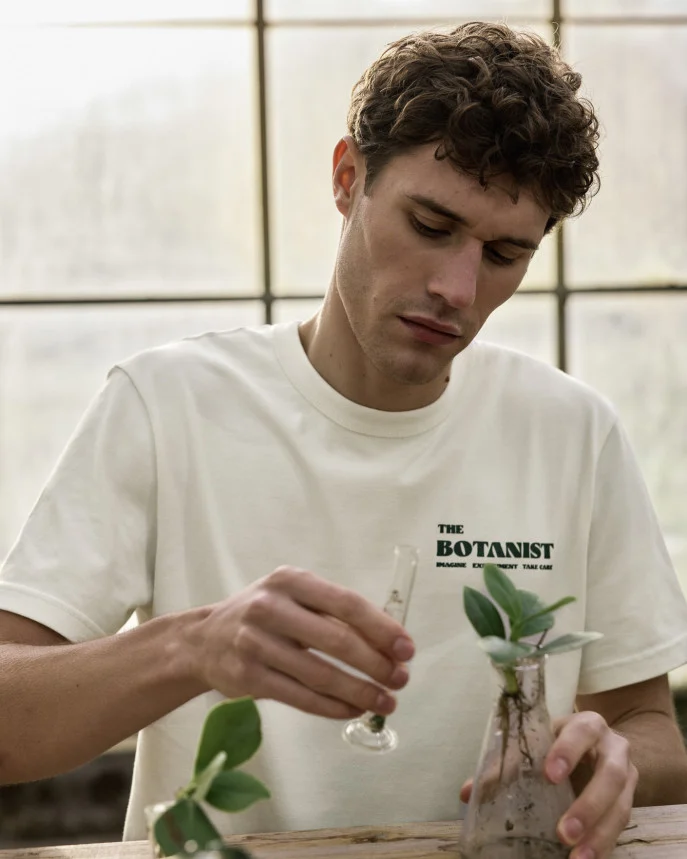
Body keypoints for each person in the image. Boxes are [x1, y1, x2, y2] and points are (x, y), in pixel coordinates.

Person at [1, 20, 686, 859]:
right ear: (345, 177)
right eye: (430, 225)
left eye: (505, 253)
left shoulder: (571, 431)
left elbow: (647, 723)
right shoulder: (166, 403)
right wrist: (192, 645)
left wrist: (617, 763)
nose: (457, 289)